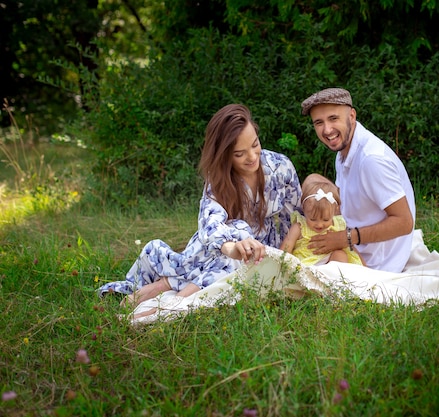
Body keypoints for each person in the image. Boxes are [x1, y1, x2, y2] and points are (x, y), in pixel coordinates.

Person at [98, 104, 302, 307]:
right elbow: (210, 224)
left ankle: (168, 287)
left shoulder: (280, 166)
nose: (252, 156)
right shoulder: (220, 178)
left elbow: (294, 217)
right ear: (224, 155)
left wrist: (286, 257)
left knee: (234, 265)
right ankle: (165, 291)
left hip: (260, 247)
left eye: (255, 144)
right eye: (239, 154)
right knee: (226, 253)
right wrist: (231, 248)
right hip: (219, 246)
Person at [300, 87, 416, 272]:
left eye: (333, 118)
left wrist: (343, 238)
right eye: (319, 123)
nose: (327, 130)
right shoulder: (345, 148)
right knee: (312, 181)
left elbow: (404, 223)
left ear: (352, 116)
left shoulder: (372, 161)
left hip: (374, 261)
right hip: (352, 235)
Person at [280, 181, 364, 266]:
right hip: (308, 264)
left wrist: (364, 266)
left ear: (335, 211)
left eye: (326, 219)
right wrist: (283, 266)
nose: (319, 225)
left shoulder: (338, 225)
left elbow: (350, 246)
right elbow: (286, 248)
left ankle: (336, 278)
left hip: (331, 263)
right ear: (304, 209)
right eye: (313, 219)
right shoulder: (300, 227)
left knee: (340, 255)